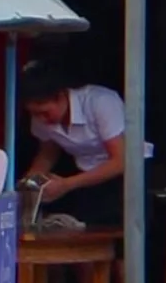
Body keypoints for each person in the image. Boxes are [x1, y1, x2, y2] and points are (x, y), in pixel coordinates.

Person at [20, 62, 132, 226]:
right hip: (86, 178)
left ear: (61, 96)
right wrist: (30, 185)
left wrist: (66, 184)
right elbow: (48, 152)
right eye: (35, 114)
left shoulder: (100, 102)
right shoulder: (39, 119)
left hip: (126, 178)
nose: (41, 119)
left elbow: (120, 161)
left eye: (45, 112)